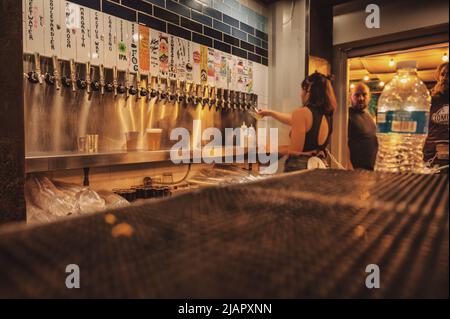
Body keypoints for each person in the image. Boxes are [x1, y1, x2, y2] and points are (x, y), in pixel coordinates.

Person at [258, 72, 337, 172]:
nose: (300, 94)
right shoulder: (327, 115)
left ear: (308, 92)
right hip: (320, 168)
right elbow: (294, 121)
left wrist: (271, 149)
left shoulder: (301, 113)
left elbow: (294, 151)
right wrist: (270, 113)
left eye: (302, 90)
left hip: (300, 170)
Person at [347, 82, 378, 170]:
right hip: (356, 170)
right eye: (357, 95)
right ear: (350, 97)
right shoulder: (347, 116)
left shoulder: (369, 115)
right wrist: (349, 166)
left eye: (364, 95)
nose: (361, 98)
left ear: (369, 97)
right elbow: (343, 144)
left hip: (371, 169)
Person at [423, 62, 449, 169]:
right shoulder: (429, 99)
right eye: (443, 74)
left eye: (449, 75)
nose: (445, 78)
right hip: (431, 156)